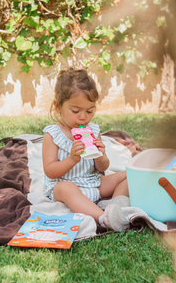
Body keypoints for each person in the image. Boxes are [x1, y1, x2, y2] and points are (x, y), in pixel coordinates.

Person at [42, 67, 130, 231]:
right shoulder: (52, 135)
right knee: (65, 188)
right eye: (75, 111)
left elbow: (102, 168)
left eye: (90, 111)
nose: (83, 117)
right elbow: (50, 171)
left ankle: (114, 204)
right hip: (64, 187)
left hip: (92, 184)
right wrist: (72, 159)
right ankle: (103, 218)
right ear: (58, 106)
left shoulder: (93, 130)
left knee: (129, 175)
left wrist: (100, 156)